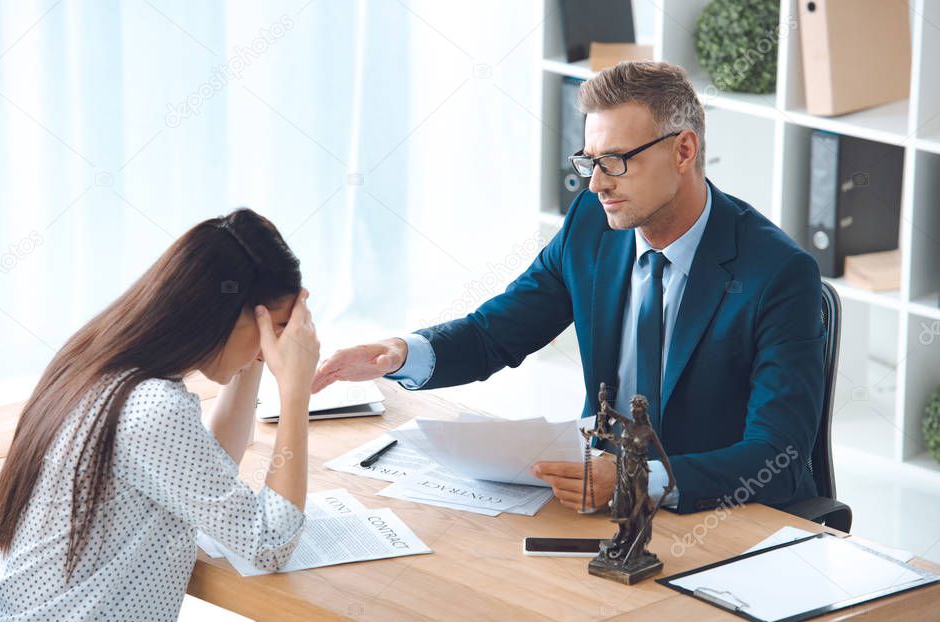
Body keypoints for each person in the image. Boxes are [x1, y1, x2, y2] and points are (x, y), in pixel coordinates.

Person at [313, 61, 825, 517]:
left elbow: (777, 455)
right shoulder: (592, 225)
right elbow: (497, 333)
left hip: (713, 514)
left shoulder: (778, 275)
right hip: (600, 501)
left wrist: (639, 481)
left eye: (617, 161)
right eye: (590, 161)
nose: (597, 184)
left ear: (684, 150)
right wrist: (401, 354)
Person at [0, 209, 320, 622]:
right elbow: (270, 543)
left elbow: (210, 469)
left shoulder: (100, 361)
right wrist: (295, 390)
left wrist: (255, 358)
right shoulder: (152, 408)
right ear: (223, 316)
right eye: (272, 330)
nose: (272, 347)